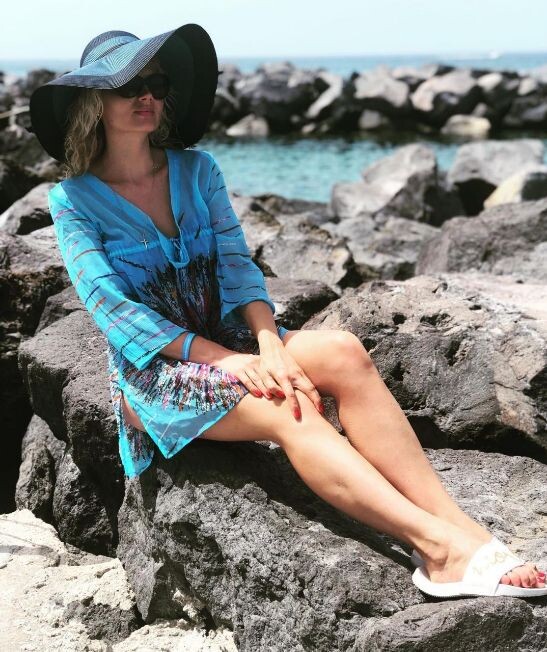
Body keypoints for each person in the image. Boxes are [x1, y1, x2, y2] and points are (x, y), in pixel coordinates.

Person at [29, 24, 546, 600]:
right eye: (129, 86)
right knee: (290, 405)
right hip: (154, 374)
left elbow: (236, 265)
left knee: (343, 351)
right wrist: (228, 361)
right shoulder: (72, 200)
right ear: (94, 102)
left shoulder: (197, 170)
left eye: (156, 82)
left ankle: (464, 528)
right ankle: (439, 550)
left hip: (229, 339)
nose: (146, 95)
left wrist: (269, 343)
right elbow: (113, 309)